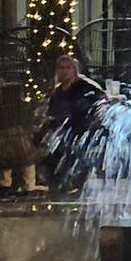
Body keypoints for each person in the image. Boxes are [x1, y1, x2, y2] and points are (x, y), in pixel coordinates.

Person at [44, 54, 103, 195]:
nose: (64, 71)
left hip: (84, 130)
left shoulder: (86, 86)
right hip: (63, 132)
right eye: (61, 68)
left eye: (68, 68)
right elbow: (52, 113)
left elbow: (100, 102)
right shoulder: (57, 92)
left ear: (74, 70)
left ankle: (77, 184)